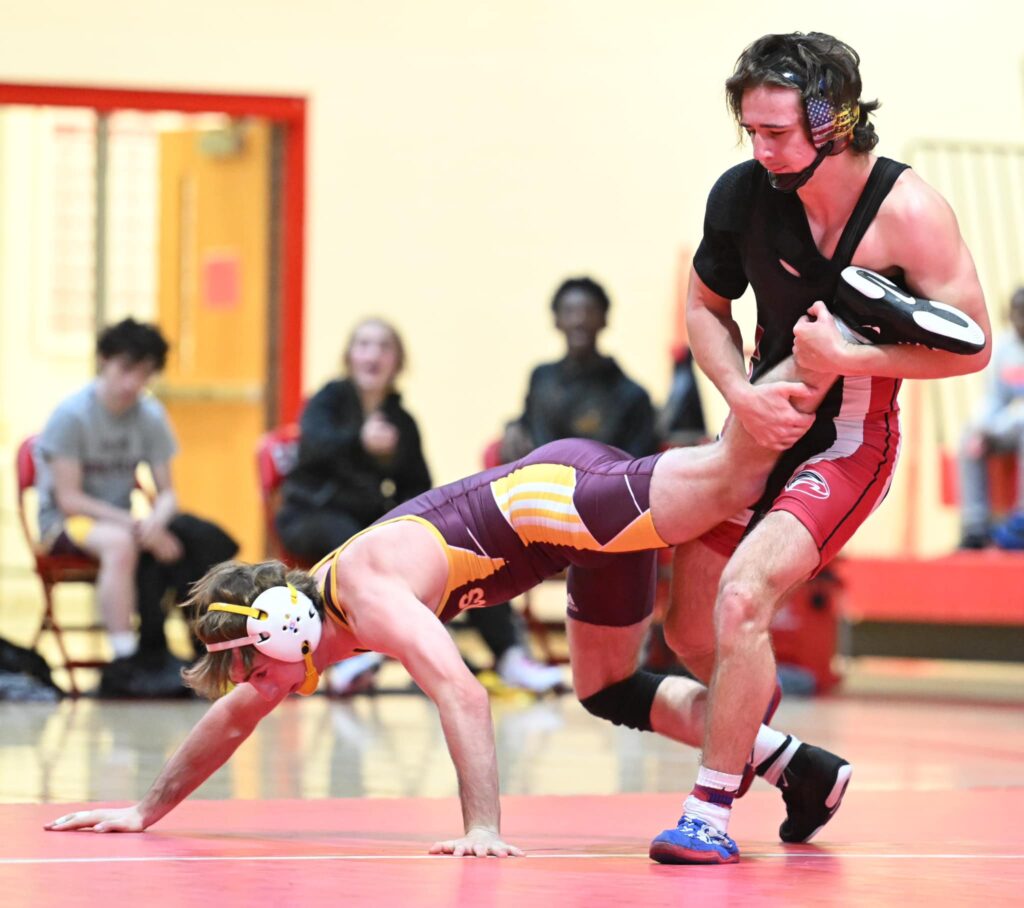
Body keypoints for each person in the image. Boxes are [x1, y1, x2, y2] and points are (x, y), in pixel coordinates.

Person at [45, 351, 847, 854]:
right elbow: (230, 719)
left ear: (281, 631)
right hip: (562, 541)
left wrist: (483, 827)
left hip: (561, 497)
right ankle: (800, 768)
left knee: (731, 474)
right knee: (609, 687)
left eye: (251, 665)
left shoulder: (364, 594)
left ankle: (821, 340)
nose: (255, 685)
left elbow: (463, 692)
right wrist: (143, 811)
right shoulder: (304, 626)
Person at [654, 31, 992, 864]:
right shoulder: (741, 195)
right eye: (751, 131)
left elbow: (974, 344)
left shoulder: (910, 212)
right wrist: (737, 394)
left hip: (846, 443)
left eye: (776, 133)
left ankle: (708, 816)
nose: (760, 151)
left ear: (832, 122)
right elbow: (704, 307)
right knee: (691, 630)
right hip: (755, 431)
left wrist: (853, 359)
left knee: (741, 600)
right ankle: (800, 769)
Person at [276, 317, 558, 694]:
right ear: (350, 356)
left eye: (383, 346)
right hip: (311, 515)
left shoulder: (401, 421)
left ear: (397, 362)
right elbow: (309, 450)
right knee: (355, 547)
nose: (373, 354)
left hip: (370, 525)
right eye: (364, 344)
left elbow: (419, 487)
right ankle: (349, 654)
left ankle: (508, 655)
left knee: (460, 551)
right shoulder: (326, 401)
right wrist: (360, 441)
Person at [34, 319, 238, 694]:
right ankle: (125, 657)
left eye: (143, 374)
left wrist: (155, 524)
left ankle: (194, 647)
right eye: (126, 369)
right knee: (120, 544)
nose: (133, 383)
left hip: (122, 521)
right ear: (103, 361)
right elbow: (69, 499)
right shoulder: (71, 416)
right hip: (66, 523)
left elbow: (168, 494)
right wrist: (137, 527)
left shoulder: (150, 415)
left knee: (189, 540)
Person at [500, 276, 659, 462]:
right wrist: (512, 427)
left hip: (602, 489)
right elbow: (527, 424)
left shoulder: (631, 396)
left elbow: (637, 469)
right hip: (540, 487)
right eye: (569, 311)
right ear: (556, 320)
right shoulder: (541, 378)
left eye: (589, 311)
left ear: (604, 319)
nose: (579, 320)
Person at [958, 287, 1024, 549]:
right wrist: (982, 428)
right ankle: (975, 527)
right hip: (1008, 426)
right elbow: (994, 398)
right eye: (1017, 313)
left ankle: (1021, 520)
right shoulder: (1004, 348)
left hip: (1019, 425)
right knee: (968, 440)